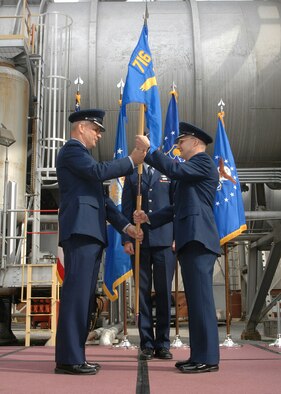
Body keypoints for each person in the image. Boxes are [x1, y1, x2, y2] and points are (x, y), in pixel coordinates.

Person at [55, 109, 145, 375]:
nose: (98, 135)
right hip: (81, 232)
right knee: (76, 297)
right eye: (95, 130)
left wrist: (126, 226)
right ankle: (69, 359)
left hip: (91, 233)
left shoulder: (84, 160)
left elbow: (104, 203)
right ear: (81, 128)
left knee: (84, 298)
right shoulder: (72, 151)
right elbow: (97, 171)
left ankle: (75, 356)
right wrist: (131, 160)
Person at [134, 122, 221, 374]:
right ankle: (199, 355)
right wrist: (149, 218)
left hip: (198, 238)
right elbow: (176, 208)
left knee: (202, 301)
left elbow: (172, 168)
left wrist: (150, 152)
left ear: (195, 143)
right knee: (195, 302)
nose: (178, 146)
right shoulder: (189, 171)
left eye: (181, 142)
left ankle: (208, 358)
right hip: (190, 238)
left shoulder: (203, 162)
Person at [122, 162, 176, 360]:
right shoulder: (132, 173)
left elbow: (175, 205)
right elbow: (126, 207)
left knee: (163, 292)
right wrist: (126, 239)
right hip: (140, 240)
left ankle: (162, 343)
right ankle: (146, 343)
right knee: (142, 293)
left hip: (164, 241)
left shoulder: (168, 170)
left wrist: (176, 236)